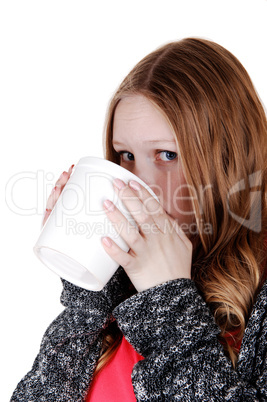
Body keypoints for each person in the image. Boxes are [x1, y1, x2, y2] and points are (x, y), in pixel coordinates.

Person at [11, 38, 267, 401]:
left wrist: (169, 302)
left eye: (167, 154)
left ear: (228, 161)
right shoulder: (118, 291)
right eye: (126, 155)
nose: (140, 185)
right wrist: (90, 288)